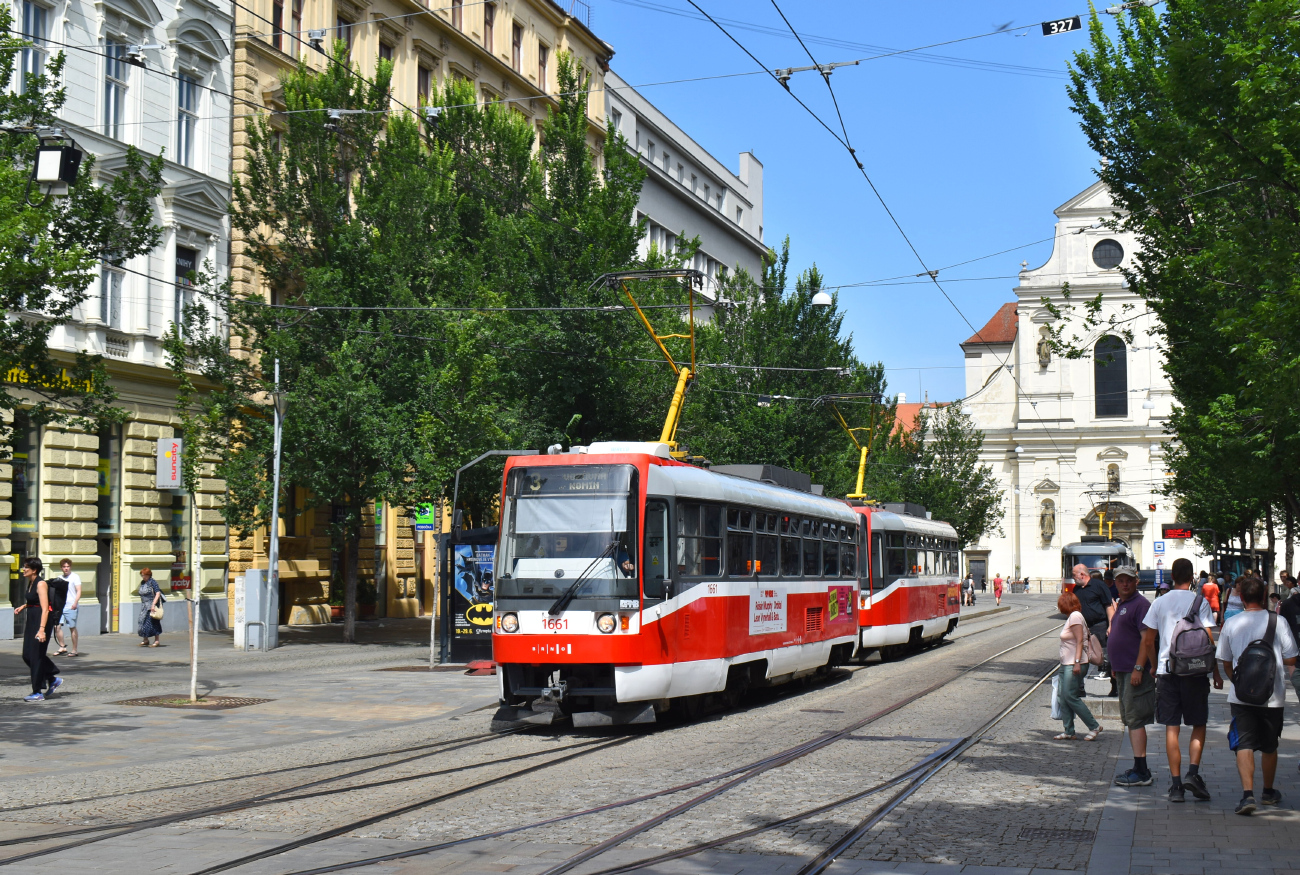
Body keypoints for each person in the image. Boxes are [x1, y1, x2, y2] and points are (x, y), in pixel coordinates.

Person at [1136, 557, 1222, 802]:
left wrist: (1153, 665)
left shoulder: (1160, 602)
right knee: (1198, 723)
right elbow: (1208, 639)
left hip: (1168, 671)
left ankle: (1175, 787)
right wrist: (1214, 672)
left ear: (1172, 577)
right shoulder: (1200, 602)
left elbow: (1147, 640)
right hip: (1195, 671)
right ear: (1192, 576)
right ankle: (1192, 773)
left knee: (1171, 728)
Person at [1215, 574, 1298, 815]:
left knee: (1245, 743)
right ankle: (1268, 792)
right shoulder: (1278, 622)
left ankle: (1247, 795)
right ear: (1264, 596)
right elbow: (1291, 657)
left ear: (1240, 597)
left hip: (1241, 696)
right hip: (1273, 696)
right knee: (1270, 745)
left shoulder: (1232, 623)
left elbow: (1226, 661)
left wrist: (1237, 681)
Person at [1108, 565, 1156, 786]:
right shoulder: (1124, 604)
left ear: (1136, 581)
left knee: (1136, 720)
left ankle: (1142, 771)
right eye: (1120, 581)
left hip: (1134, 672)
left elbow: (1147, 640)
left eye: (1128, 580)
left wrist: (1139, 667)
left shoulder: (1141, 605)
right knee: (1130, 720)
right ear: (1115, 583)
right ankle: (1138, 766)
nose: (1124, 584)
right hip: (1124, 670)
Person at [1054, 590, 1102, 741]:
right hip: (1066, 663)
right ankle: (1069, 731)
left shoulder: (1075, 617)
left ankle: (1094, 726)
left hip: (1074, 664)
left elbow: (1080, 640)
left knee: (1070, 696)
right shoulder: (1073, 617)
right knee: (1062, 696)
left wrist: (1076, 663)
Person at [15, 558, 59, 702]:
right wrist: (24, 606)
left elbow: (45, 609)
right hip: (32, 620)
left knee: (36, 656)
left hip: (41, 622)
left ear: (34, 570)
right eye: (24, 566)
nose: (23, 569)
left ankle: (37, 692)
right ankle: (52, 677)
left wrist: (41, 630)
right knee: (27, 655)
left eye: (26, 567)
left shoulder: (41, 584)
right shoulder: (31, 583)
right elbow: (34, 601)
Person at [1077, 567, 1116, 684]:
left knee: (1105, 654)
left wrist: (1111, 625)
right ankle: (1080, 688)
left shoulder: (1101, 587)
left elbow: (1109, 606)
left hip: (1099, 625)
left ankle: (1113, 684)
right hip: (1084, 626)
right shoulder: (1078, 588)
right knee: (1083, 656)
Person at [52, 558, 82, 657]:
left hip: (71, 606)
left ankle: (74, 649)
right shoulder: (59, 578)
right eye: (64, 567)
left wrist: (75, 602)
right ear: (61, 568)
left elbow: (78, 590)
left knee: (72, 627)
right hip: (60, 606)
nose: (66, 568)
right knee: (57, 626)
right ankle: (62, 647)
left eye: (68, 566)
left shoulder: (75, 577)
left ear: (70, 567)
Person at [138, 568, 164, 647]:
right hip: (144, 606)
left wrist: (153, 604)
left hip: (152, 605)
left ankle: (157, 641)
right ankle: (145, 639)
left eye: (144, 575)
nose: (143, 577)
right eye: (142, 575)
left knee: (154, 622)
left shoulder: (153, 582)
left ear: (148, 575)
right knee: (142, 622)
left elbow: (158, 593)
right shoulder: (143, 582)